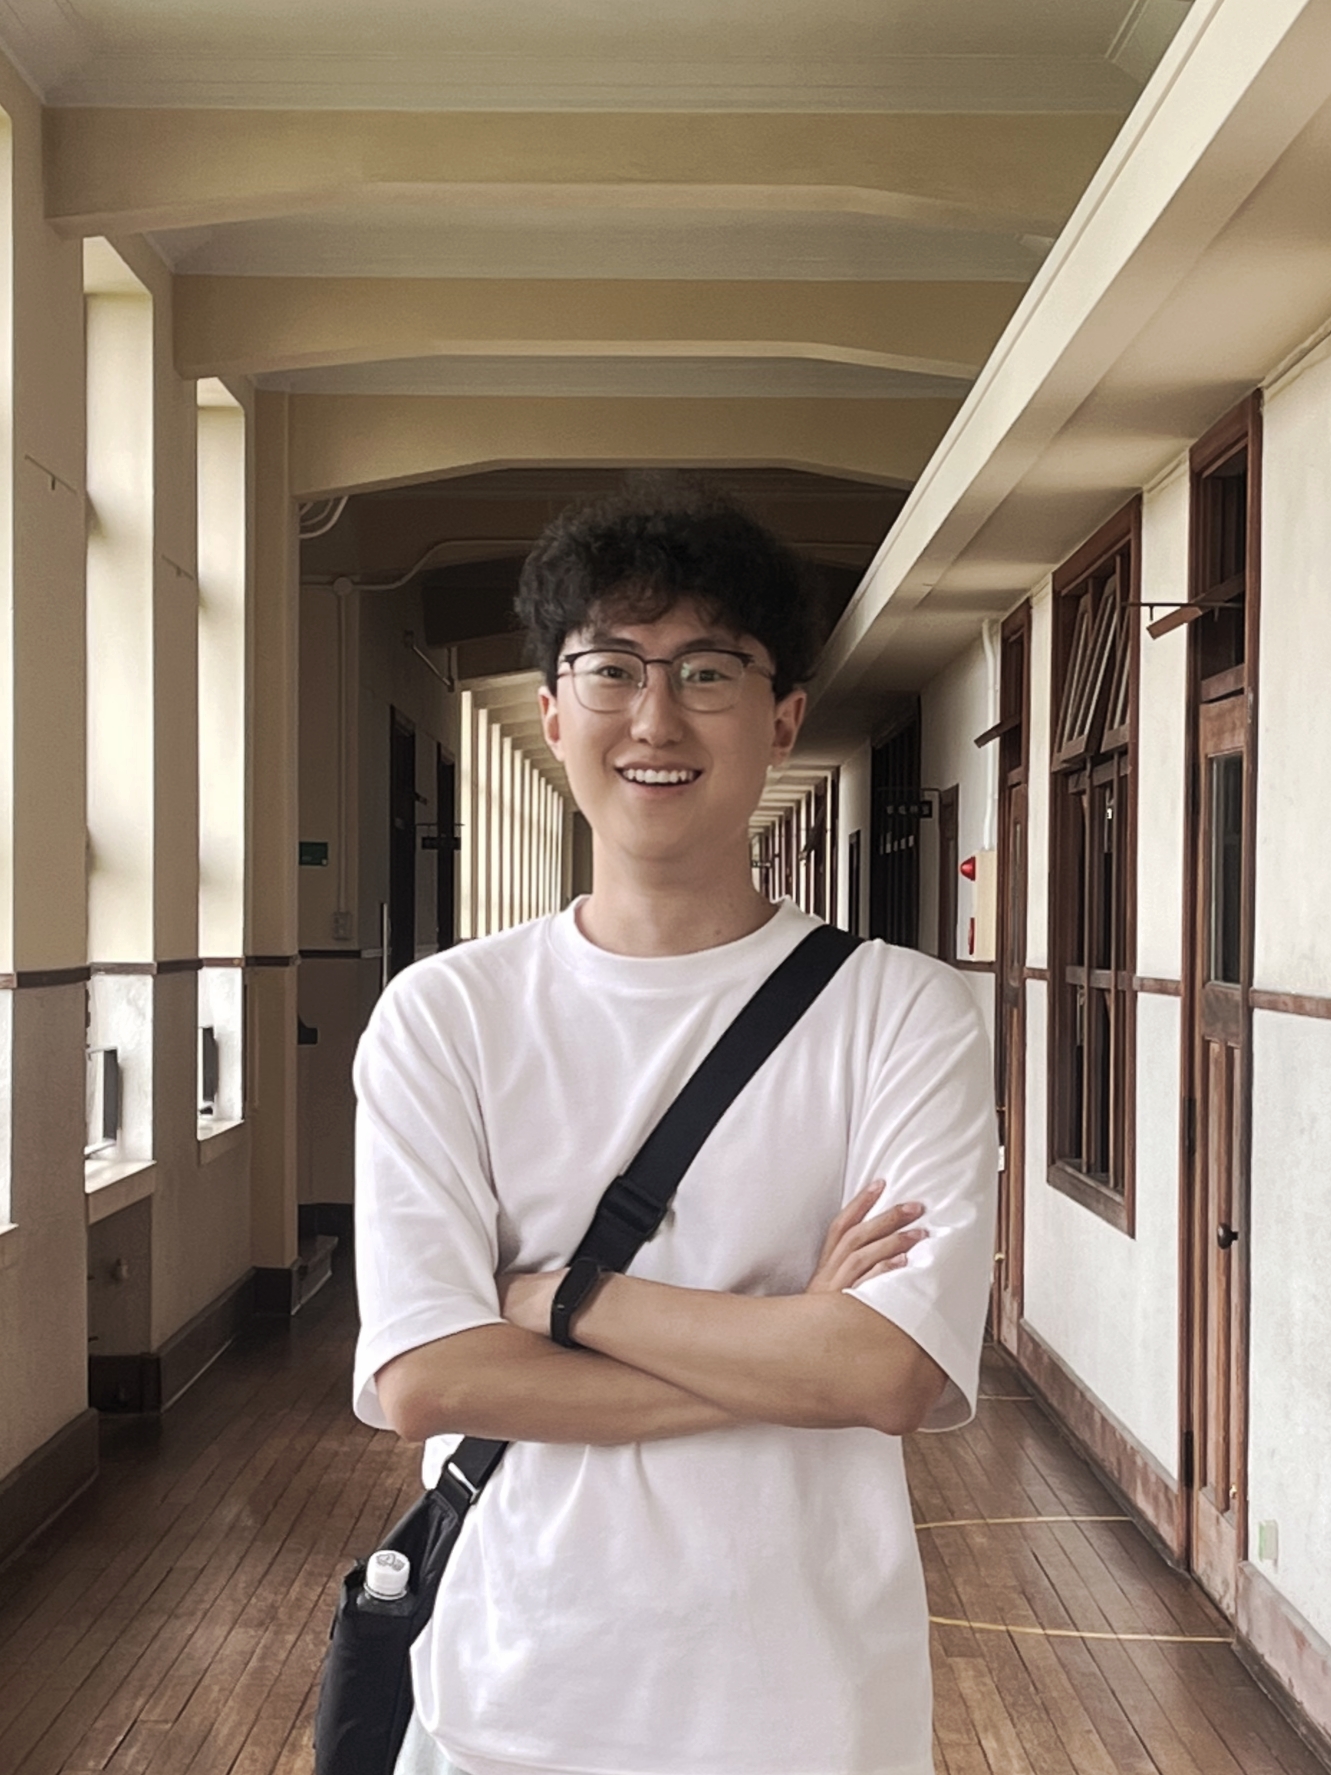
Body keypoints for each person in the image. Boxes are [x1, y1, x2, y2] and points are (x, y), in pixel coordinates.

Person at [352, 477, 998, 1775]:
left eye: (708, 671)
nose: (656, 717)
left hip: (811, 1713)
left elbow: (886, 1375)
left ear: (782, 718)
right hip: (513, 1698)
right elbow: (428, 1381)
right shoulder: (446, 1015)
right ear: (553, 711)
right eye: (612, 669)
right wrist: (788, 1349)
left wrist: (560, 1300)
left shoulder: (903, 1012)